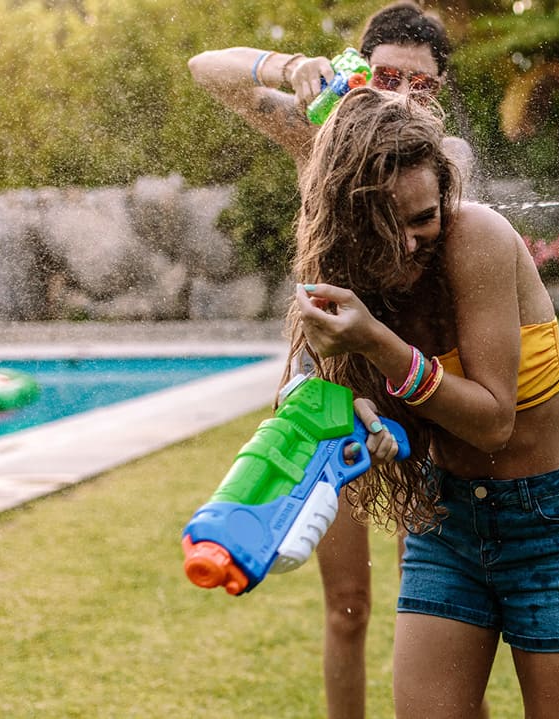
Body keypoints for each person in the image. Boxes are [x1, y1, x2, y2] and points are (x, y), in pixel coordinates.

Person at [285, 87, 559, 719]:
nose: (411, 243)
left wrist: (377, 344)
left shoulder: (476, 238)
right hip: (446, 523)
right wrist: (377, 429)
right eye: (389, 226)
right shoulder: (356, 282)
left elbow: (492, 420)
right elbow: (411, 416)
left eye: (423, 217)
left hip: (550, 524)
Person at [187, 4, 472, 718]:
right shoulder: (315, 135)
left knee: (432, 605)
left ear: (441, 93)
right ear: (357, 73)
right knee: (346, 608)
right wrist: (290, 68)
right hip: (327, 393)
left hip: (415, 389)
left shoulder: (450, 159)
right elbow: (203, 69)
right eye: (386, 77)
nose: (403, 96)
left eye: (423, 85)